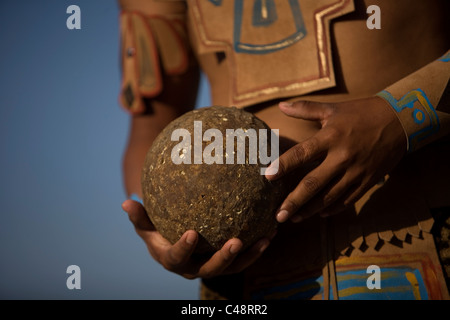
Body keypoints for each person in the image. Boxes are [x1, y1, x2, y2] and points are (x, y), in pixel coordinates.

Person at [119, 0, 450, 299]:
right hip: (245, 276)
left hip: (427, 234)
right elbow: (149, 128)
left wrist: (398, 117)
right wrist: (158, 229)